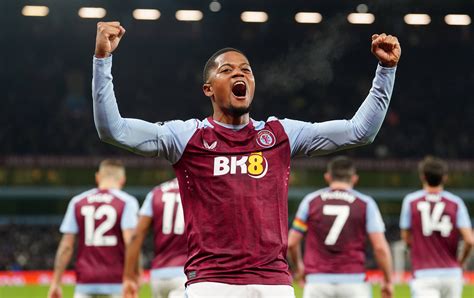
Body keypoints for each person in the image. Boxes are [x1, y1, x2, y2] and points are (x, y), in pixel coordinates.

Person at [92, 21, 401, 297]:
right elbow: (113, 130)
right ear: (208, 89)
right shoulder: (186, 137)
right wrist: (102, 60)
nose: (239, 72)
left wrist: (386, 72)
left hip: (273, 284)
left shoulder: (280, 134)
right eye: (226, 70)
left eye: (246, 69)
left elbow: (359, 132)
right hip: (212, 283)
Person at [288, 156, 393, 298]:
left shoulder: (310, 201)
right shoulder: (365, 203)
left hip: (317, 283)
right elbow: (380, 248)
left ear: (328, 177)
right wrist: (387, 281)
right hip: (354, 282)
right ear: (354, 178)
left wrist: (299, 268)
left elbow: (292, 243)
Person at [48, 159, 139, 298]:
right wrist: (133, 276)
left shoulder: (77, 202)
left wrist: (55, 283)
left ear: (97, 177)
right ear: (123, 180)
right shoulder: (127, 202)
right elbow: (130, 242)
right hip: (116, 281)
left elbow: (66, 246)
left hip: (85, 282)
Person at [400, 156, 473, 298]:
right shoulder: (456, 203)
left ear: (423, 177)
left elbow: (406, 238)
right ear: (444, 178)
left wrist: (417, 251)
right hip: (451, 274)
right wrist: (461, 262)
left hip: (424, 273)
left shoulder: (411, 201)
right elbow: (469, 240)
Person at [123, 178, 187, 298]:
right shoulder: (198, 187)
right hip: (187, 272)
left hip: (158, 275)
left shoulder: (156, 192)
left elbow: (136, 235)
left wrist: (129, 276)